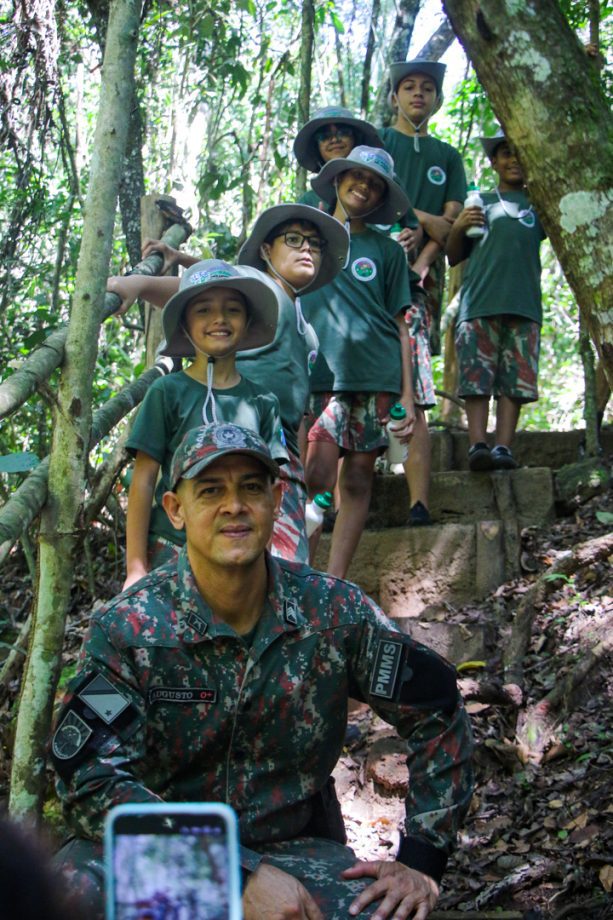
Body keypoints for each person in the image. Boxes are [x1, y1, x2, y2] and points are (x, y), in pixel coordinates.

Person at [50, 422, 474, 920]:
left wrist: (422, 862)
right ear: (176, 509)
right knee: (62, 893)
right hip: (163, 852)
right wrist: (232, 875)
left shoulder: (333, 613)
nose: (234, 505)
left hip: (296, 853)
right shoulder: (129, 629)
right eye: (211, 491)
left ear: (276, 500)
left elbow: (437, 707)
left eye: (251, 488)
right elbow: (88, 775)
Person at [126, 204, 349, 564]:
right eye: (293, 239)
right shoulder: (263, 283)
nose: (306, 248)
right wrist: (137, 285)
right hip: (233, 440)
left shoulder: (303, 324)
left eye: (314, 243)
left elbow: (299, 410)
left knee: (271, 565)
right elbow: (204, 290)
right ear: (266, 250)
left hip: (275, 451)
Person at [111, 260, 288, 588]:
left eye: (232, 309)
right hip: (171, 546)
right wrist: (135, 566)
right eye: (203, 310)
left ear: (248, 321)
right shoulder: (167, 392)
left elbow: (268, 487)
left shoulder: (263, 401)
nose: (219, 319)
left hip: (236, 546)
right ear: (184, 324)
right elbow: (144, 480)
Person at [302, 145, 415, 578]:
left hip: (377, 376)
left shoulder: (388, 252)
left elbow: (401, 325)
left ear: (382, 197)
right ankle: (300, 575)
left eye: (374, 184)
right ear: (337, 179)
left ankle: (334, 581)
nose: (363, 187)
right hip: (321, 377)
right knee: (317, 475)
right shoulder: (310, 240)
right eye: (357, 177)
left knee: (357, 478)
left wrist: (407, 395)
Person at [380, 60, 468, 527]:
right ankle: (338, 499)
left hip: (420, 284)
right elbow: (364, 198)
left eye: (428, 88)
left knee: (413, 383)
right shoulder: (378, 142)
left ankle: (419, 503)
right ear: (394, 96)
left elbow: (450, 227)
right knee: (359, 381)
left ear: (437, 98)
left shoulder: (447, 156)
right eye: (409, 86)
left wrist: (423, 259)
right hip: (370, 276)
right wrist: (418, 217)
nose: (418, 94)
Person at [446, 130, 546, 471]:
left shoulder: (540, 204)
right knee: (476, 378)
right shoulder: (480, 201)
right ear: (493, 162)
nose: (513, 159)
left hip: (524, 305)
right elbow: (454, 256)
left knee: (515, 382)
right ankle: (477, 444)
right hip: (479, 304)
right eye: (505, 153)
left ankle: (503, 447)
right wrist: (458, 227)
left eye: (519, 152)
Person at [293, 106, 385, 209]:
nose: (334, 140)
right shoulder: (309, 202)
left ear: (356, 139)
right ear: (316, 148)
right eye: (324, 136)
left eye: (344, 133)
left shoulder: (374, 190)